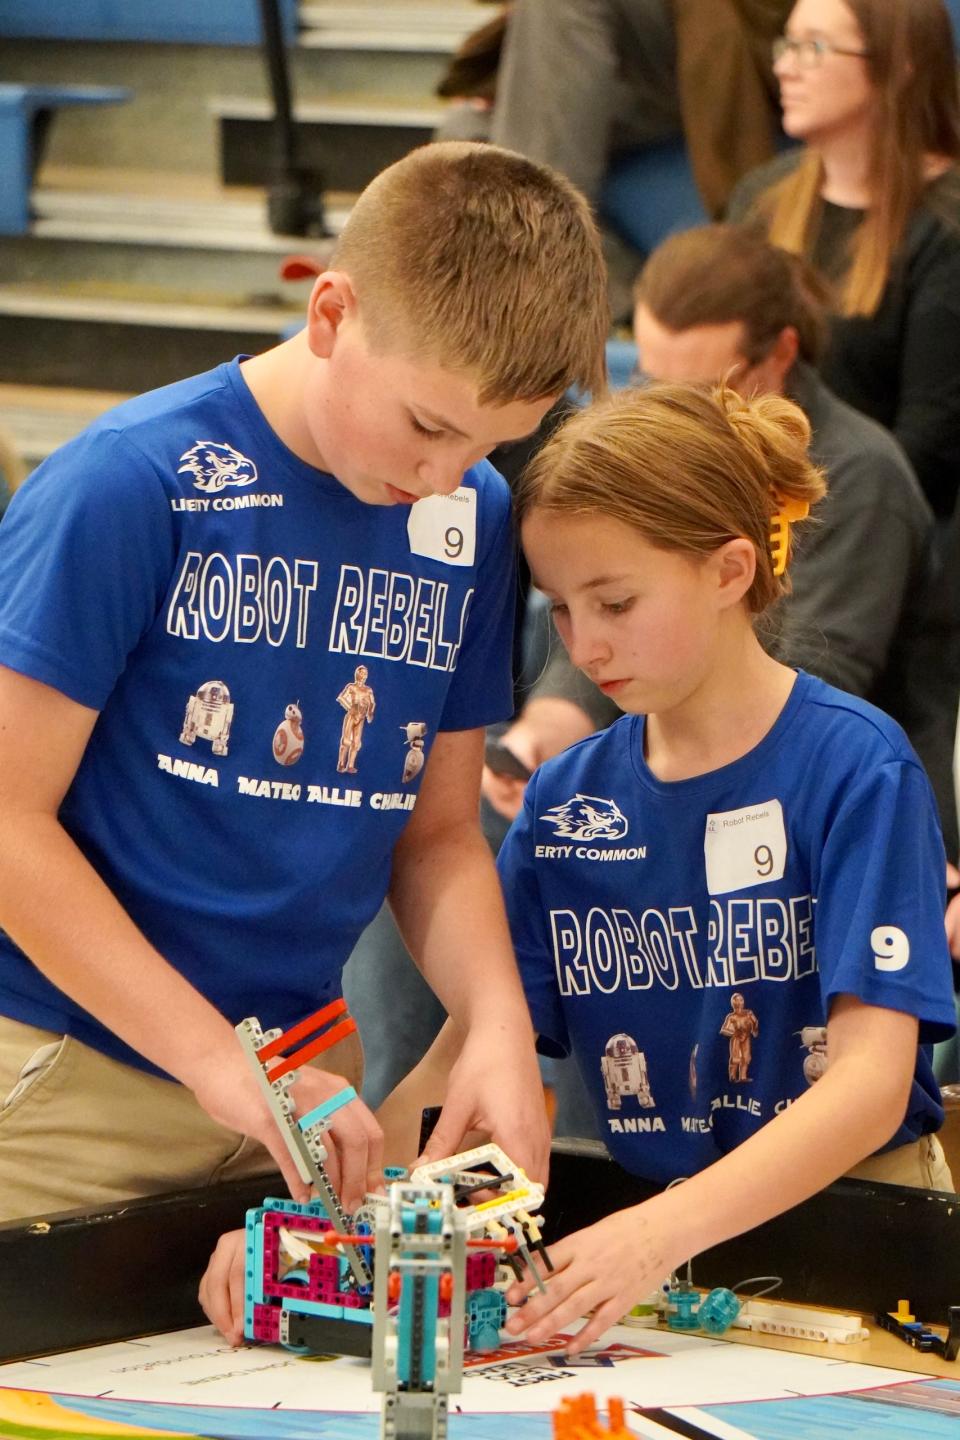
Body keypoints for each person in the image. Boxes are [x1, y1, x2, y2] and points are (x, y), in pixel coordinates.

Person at [0, 140, 609, 1223]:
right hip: (69, 1065)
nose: (441, 474)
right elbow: (7, 819)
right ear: (331, 314)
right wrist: (215, 1061)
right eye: (427, 424)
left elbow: (437, 837)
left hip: (302, 1087)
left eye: (489, 445)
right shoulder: (132, 480)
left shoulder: (471, 514)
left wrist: (498, 1027)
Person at [374, 382, 955, 1358]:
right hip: (652, 1272)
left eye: (617, 601)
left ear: (730, 570)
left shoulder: (857, 765)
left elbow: (874, 1082)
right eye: (559, 610)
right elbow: (468, 1070)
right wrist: (348, 1218)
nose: (584, 644)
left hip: (860, 1243)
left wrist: (658, 1233)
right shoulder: (566, 807)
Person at [484, 223, 936, 830]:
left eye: (696, 390)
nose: (664, 409)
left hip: (818, 806)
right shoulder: (642, 458)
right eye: (647, 378)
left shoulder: (860, 476)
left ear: (779, 355)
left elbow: (823, 671)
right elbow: (600, 591)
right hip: (670, 765)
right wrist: (557, 717)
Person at [728, 0, 960, 518]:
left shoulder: (947, 229)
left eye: (812, 47)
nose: (783, 66)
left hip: (868, 523)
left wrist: (791, 509)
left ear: (897, 66)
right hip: (753, 506)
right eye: (786, 44)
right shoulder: (762, 197)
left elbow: (929, 449)